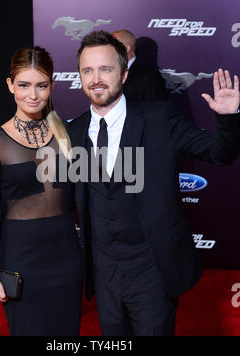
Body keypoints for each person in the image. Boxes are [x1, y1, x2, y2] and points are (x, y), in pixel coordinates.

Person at [67, 30, 240, 336]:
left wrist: (228, 118)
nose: (96, 78)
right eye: (87, 70)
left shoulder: (159, 118)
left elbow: (219, 153)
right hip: (104, 274)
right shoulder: (75, 132)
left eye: (105, 69)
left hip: (152, 271)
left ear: (124, 72)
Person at [0, 46, 83, 336]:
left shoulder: (68, 135)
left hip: (66, 257)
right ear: (10, 85)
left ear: (52, 86)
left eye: (41, 85)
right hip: (21, 259)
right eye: (24, 85)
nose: (32, 95)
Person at [112, 30, 168, 102]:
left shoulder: (149, 77)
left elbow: (156, 109)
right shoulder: (108, 72)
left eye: (112, 46)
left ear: (126, 48)